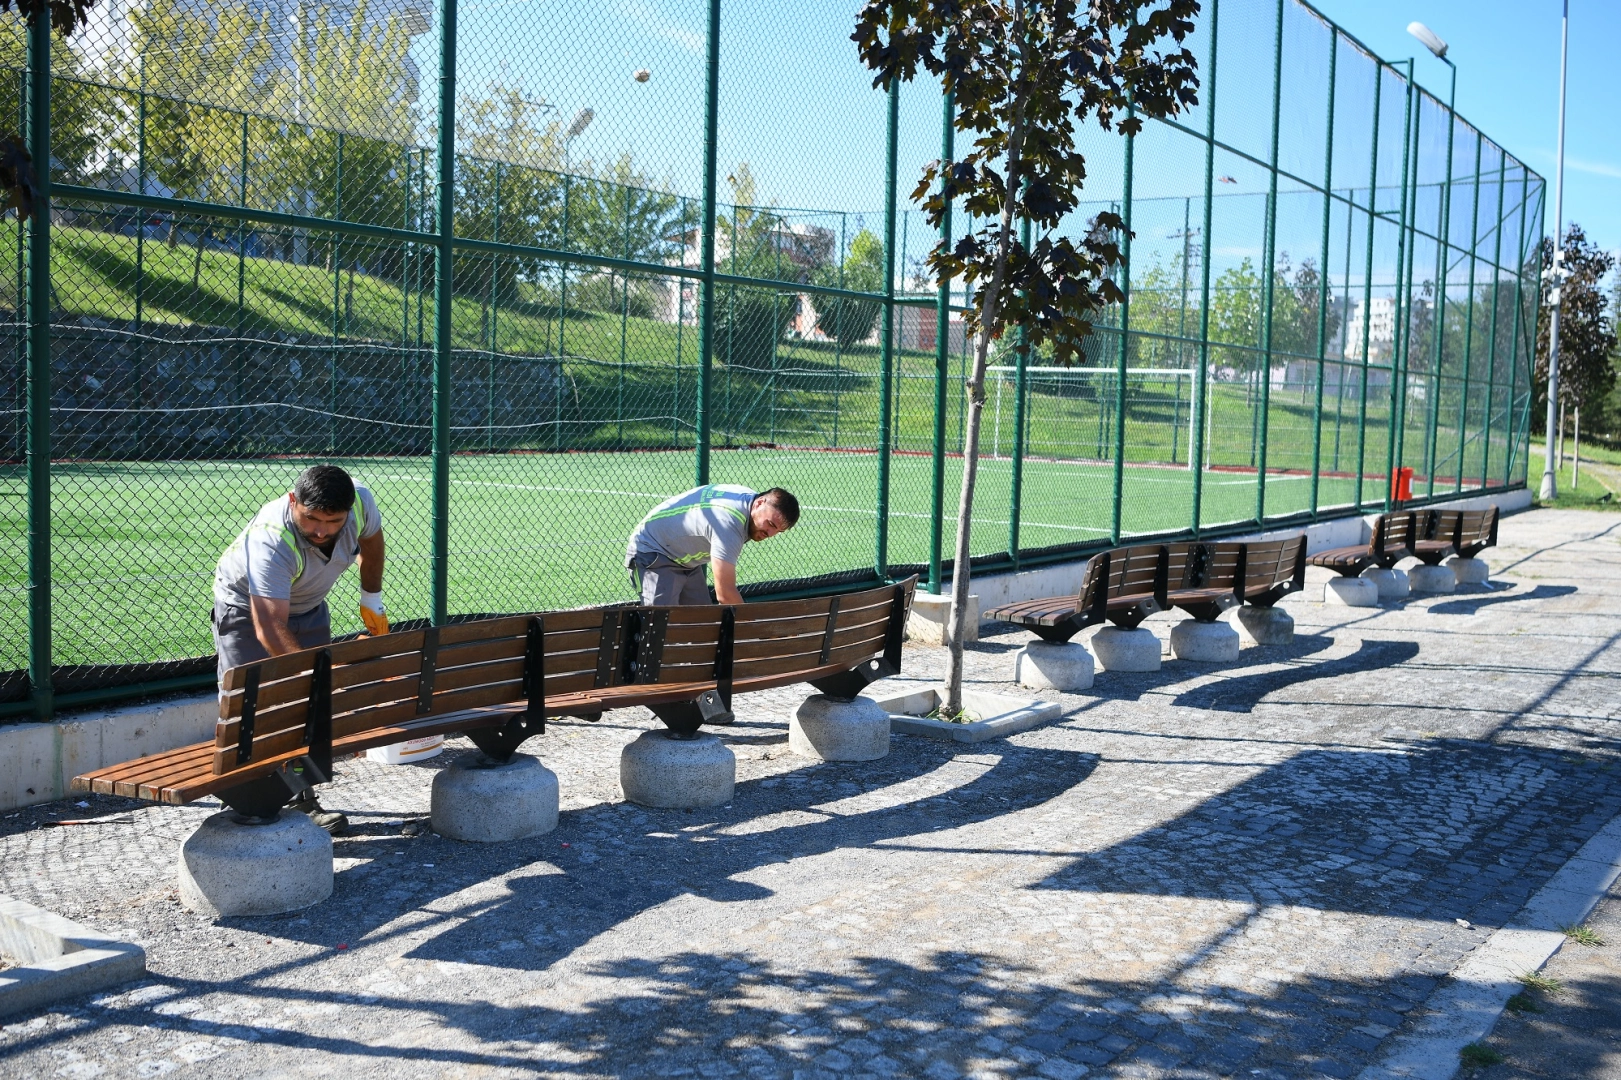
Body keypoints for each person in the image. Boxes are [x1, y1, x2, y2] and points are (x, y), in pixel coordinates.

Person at [212, 465, 389, 834]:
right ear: (294, 501)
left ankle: (301, 800)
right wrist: (318, 679)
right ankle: (246, 802)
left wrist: (371, 598)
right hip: (248, 608)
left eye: (332, 521)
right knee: (253, 703)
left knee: (306, 711)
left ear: (349, 509)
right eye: (311, 519)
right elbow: (269, 626)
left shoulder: (361, 501)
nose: (321, 530)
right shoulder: (271, 539)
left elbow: (372, 542)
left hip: (307, 605)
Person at [626, 484, 799, 606]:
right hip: (652, 551)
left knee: (702, 625)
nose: (770, 534)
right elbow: (725, 594)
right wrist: (754, 628)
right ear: (759, 503)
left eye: (778, 531)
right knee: (659, 630)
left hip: (685, 559)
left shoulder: (750, 500)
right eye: (770, 524)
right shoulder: (729, 524)